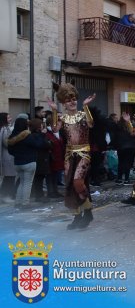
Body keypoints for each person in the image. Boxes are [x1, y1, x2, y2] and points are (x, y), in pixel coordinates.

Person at [48, 83, 97, 229]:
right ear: (64, 102)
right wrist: (54, 111)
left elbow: (91, 124)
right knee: (69, 186)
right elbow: (55, 128)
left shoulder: (83, 114)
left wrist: (86, 106)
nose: (72, 102)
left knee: (77, 181)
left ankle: (88, 211)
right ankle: (77, 216)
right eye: (68, 100)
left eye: (74, 99)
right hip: (69, 155)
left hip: (84, 153)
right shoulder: (62, 117)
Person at [7, 116, 49, 208]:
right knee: (27, 183)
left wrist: (18, 155)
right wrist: (42, 134)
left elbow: (10, 151)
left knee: (21, 182)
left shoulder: (12, 136)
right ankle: (24, 203)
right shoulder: (27, 136)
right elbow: (38, 145)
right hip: (29, 162)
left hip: (18, 163)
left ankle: (18, 202)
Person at [0, 113, 17, 202]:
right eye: (8, 117)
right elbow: (6, 143)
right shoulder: (4, 129)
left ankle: (5, 194)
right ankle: (6, 195)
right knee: (10, 177)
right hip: (8, 156)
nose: (10, 118)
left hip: (7, 156)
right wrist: (15, 141)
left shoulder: (5, 128)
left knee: (9, 177)